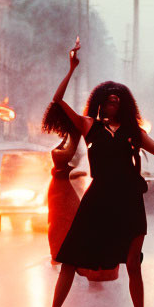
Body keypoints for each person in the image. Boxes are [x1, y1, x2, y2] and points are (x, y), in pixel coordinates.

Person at [43, 40, 154, 307]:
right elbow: (57, 101)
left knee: (133, 263)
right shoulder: (89, 126)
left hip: (129, 200)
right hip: (98, 198)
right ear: (100, 103)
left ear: (125, 105)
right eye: (109, 100)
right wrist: (72, 68)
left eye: (118, 100)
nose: (113, 104)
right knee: (70, 259)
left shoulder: (134, 132)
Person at [40, 101, 119, 282]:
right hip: (57, 188)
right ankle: (66, 254)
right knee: (59, 223)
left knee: (66, 223)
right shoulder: (68, 137)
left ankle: (72, 257)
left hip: (62, 189)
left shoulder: (74, 138)